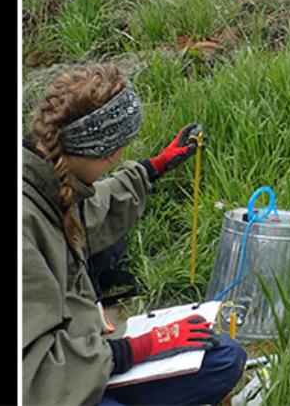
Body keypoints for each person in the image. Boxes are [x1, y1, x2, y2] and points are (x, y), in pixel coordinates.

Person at [23, 64, 246, 406]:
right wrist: (141, 347)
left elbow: (96, 208)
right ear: (106, 150)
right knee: (212, 362)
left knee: (223, 356)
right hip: (56, 385)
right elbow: (33, 378)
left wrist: (154, 167)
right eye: (119, 150)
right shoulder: (25, 225)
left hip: (89, 351)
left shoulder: (49, 180)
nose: (120, 158)